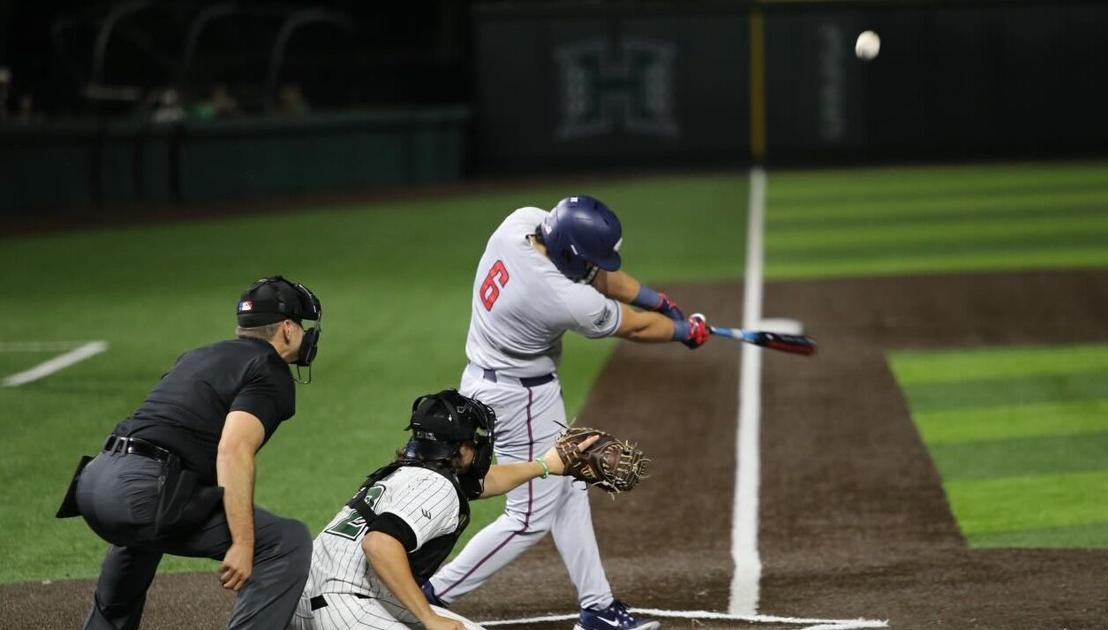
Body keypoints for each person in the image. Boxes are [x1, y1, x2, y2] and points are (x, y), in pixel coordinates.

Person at [423, 195, 710, 630]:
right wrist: (682, 330)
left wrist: (657, 299)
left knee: (570, 484)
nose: (599, 266)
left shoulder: (520, 223)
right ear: (571, 252)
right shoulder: (563, 297)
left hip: (489, 379)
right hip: (520, 399)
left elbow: (598, 276)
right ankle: (431, 594)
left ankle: (597, 606)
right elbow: (631, 325)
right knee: (527, 519)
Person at [57, 275, 324, 629]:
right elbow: (233, 449)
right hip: (141, 489)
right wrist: (244, 543)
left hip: (94, 482)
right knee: (284, 542)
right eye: (302, 327)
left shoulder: (199, 355)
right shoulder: (269, 369)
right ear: (288, 329)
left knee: (146, 532)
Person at [291, 389, 599, 630]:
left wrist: (544, 466)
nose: (479, 448)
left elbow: (484, 481)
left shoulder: (406, 472)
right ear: (459, 448)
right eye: (474, 441)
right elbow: (380, 543)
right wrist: (428, 617)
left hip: (305, 598)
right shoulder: (438, 487)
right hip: (343, 606)